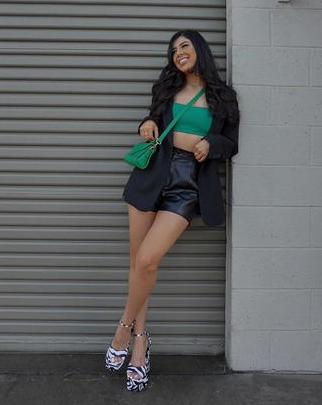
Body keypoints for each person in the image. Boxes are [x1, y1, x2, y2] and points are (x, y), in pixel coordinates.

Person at [105, 30, 240, 392]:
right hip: (151, 177)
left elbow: (231, 144)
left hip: (188, 185)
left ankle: (123, 327)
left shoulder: (224, 97)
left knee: (147, 261)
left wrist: (211, 143)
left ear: (199, 50)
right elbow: (152, 121)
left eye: (185, 46)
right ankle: (141, 345)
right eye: (174, 49)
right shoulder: (165, 89)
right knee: (139, 264)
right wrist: (146, 123)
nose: (179, 52)